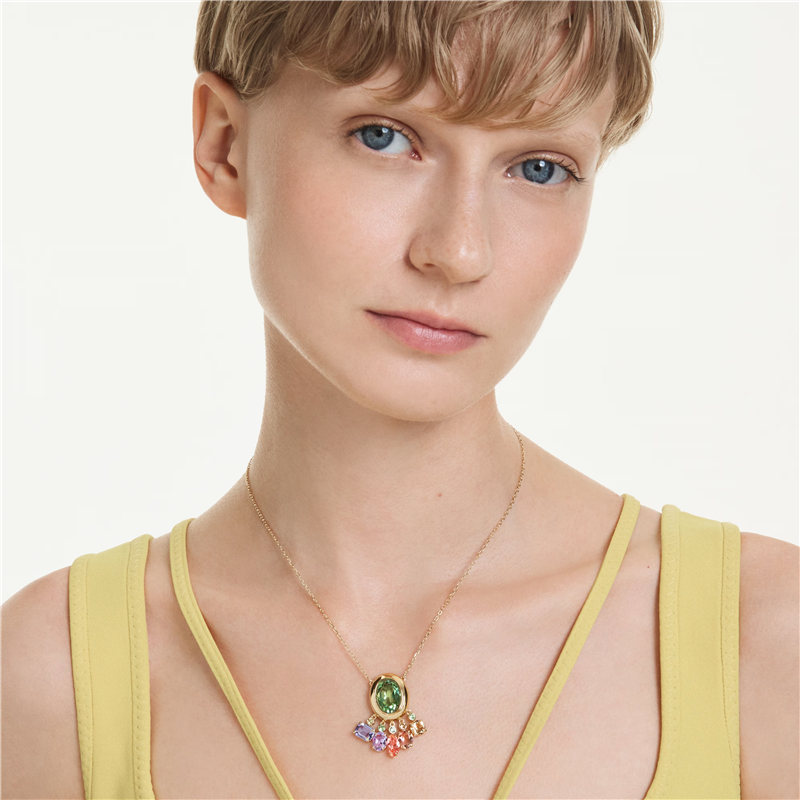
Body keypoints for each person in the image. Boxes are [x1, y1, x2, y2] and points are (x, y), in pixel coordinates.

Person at [2, 1, 797, 798]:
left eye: (539, 168)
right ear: (225, 145)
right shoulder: (51, 684)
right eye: (384, 137)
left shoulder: (766, 643)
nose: (460, 251)